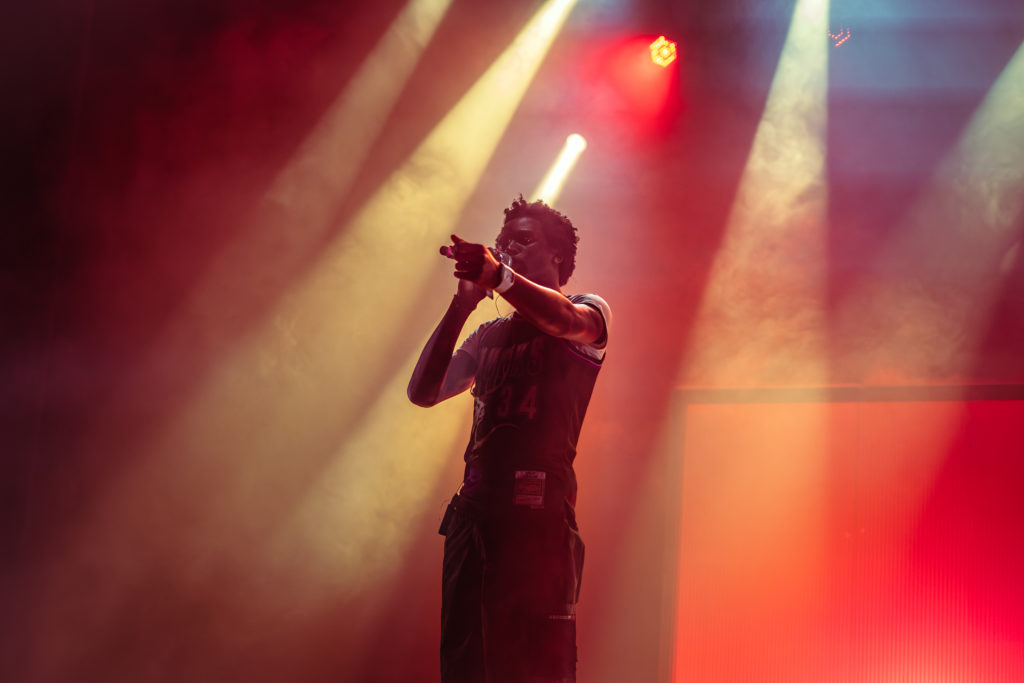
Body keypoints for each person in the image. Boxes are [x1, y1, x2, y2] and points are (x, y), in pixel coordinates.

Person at [408, 195, 611, 683]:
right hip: (474, 517)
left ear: (557, 254)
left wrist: (500, 276)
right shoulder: (488, 335)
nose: (509, 249)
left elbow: (562, 322)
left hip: (537, 522)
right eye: (503, 243)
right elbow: (424, 393)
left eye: (523, 240)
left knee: (534, 667)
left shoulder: (588, 310)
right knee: (465, 665)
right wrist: (462, 304)